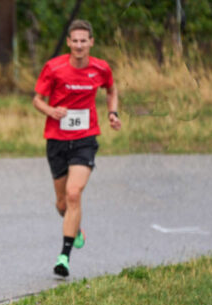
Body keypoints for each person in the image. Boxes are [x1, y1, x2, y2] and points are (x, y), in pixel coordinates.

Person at [32, 19, 122, 277]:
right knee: (62, 203)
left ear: (91, 42)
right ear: (69, 43)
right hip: (57, 140)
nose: (80, 45)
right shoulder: (54, 68)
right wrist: (51, 110)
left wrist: (112, 113)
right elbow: (37, 100)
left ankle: (64, 257)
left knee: (74, 194)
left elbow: (112, 89)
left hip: (85, 138)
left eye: (85, 40)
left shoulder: (100, 68)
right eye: (76, 41)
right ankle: (76, 227)